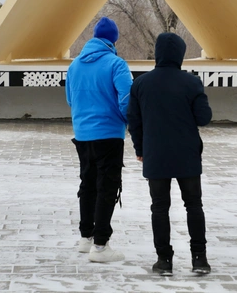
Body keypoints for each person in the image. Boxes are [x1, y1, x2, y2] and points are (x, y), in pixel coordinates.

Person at [127, 32, 212, 276]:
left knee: (159, 207)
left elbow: (134, 121)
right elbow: (203, 118)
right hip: (187, 154)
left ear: (157, 53)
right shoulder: (191, 82)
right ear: (181, 55)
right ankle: (199, 258)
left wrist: (140, 149)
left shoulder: (141, 83)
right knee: (194, 205)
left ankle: (164, 260)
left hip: (156, 154)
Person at [65, 16, 133, 263]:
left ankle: (86, 238)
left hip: (82, 134)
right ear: (113, 40)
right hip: (109, 134)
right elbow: (127, 99)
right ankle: (101, 246)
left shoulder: (74, 66)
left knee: (88, 183)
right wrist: (126, 122)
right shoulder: (117, 64)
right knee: (107, 186)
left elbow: (70, 100)